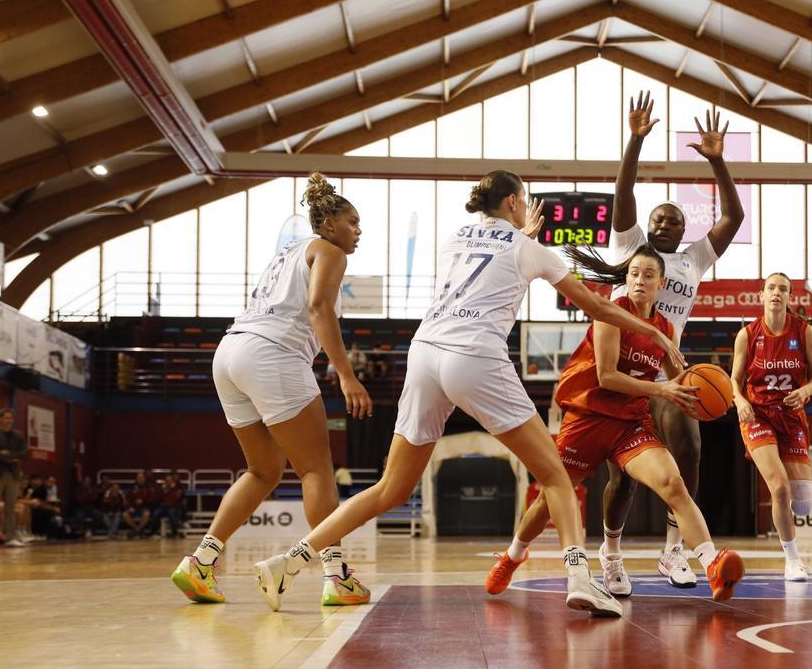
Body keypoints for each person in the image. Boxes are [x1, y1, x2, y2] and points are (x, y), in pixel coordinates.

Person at [253, 169, 685, 617]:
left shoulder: (455, 237)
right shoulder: (528, 248)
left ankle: (288, 561)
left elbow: (491, 258)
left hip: (424, 354)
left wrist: (526, 243)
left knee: (390, 488)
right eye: (526, 198)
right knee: (555, 474)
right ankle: (580, 578)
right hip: (474, 353)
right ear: (516, 202)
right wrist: (656, 334)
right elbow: (597, 305)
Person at [485, 245, 744, 601]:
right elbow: (607, 377)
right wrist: (661, 389)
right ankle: (513, 556)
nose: (640, 280)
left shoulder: (665, 328)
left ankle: (712, 563)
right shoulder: (610, 314)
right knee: (549, 500)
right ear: (627, 279)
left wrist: (700, 393)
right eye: (634, 273)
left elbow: (678, 379)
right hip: (589, 416)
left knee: (673, 483)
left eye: (648, 275)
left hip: (630, 424)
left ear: (661, 284)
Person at [171, 173, 373, 606]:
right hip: (272, 354)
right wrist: (346, 373)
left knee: (262, 471)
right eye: (353, 222)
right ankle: (336, 575)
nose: (358, 231)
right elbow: (319, 308)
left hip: (229, 352)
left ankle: (201, 562)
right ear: (330, 223)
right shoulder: (331, 252)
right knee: (316, 468)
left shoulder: (288, 252)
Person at [597, 96, 745, 593]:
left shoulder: (693, 261)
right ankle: (611, 552)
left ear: (684, 233)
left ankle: (673, 551)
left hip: (665, 366)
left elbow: (735, 215)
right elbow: (623, 191)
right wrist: (635, 140)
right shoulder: (628, 247)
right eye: (658, 220)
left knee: (690, 450)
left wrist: (717, 160)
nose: (663, 226)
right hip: (619, 364)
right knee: (622, 478)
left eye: (673, 222)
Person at [731, 272, 812, 582]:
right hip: (758, 415)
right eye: (771, 288)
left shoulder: (804, 331)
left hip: (791, 416)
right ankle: (792, 559)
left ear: (789, 297)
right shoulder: (748, 334)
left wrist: (806, 391)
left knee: (803, 505)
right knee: (780, 488)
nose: (776, 293)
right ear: (762, 295)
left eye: (782, 289)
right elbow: (734, 379)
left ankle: (793, 546)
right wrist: (740, 400)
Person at [0, 408, 27, 548]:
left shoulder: (19, 435)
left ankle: (10, 537)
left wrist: (8, 454)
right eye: (6, 418)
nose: (9, 421)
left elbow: (24, 454)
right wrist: (13, 457)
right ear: (0, 419)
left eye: (11, 418)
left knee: (11, 508)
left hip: (13, 475)